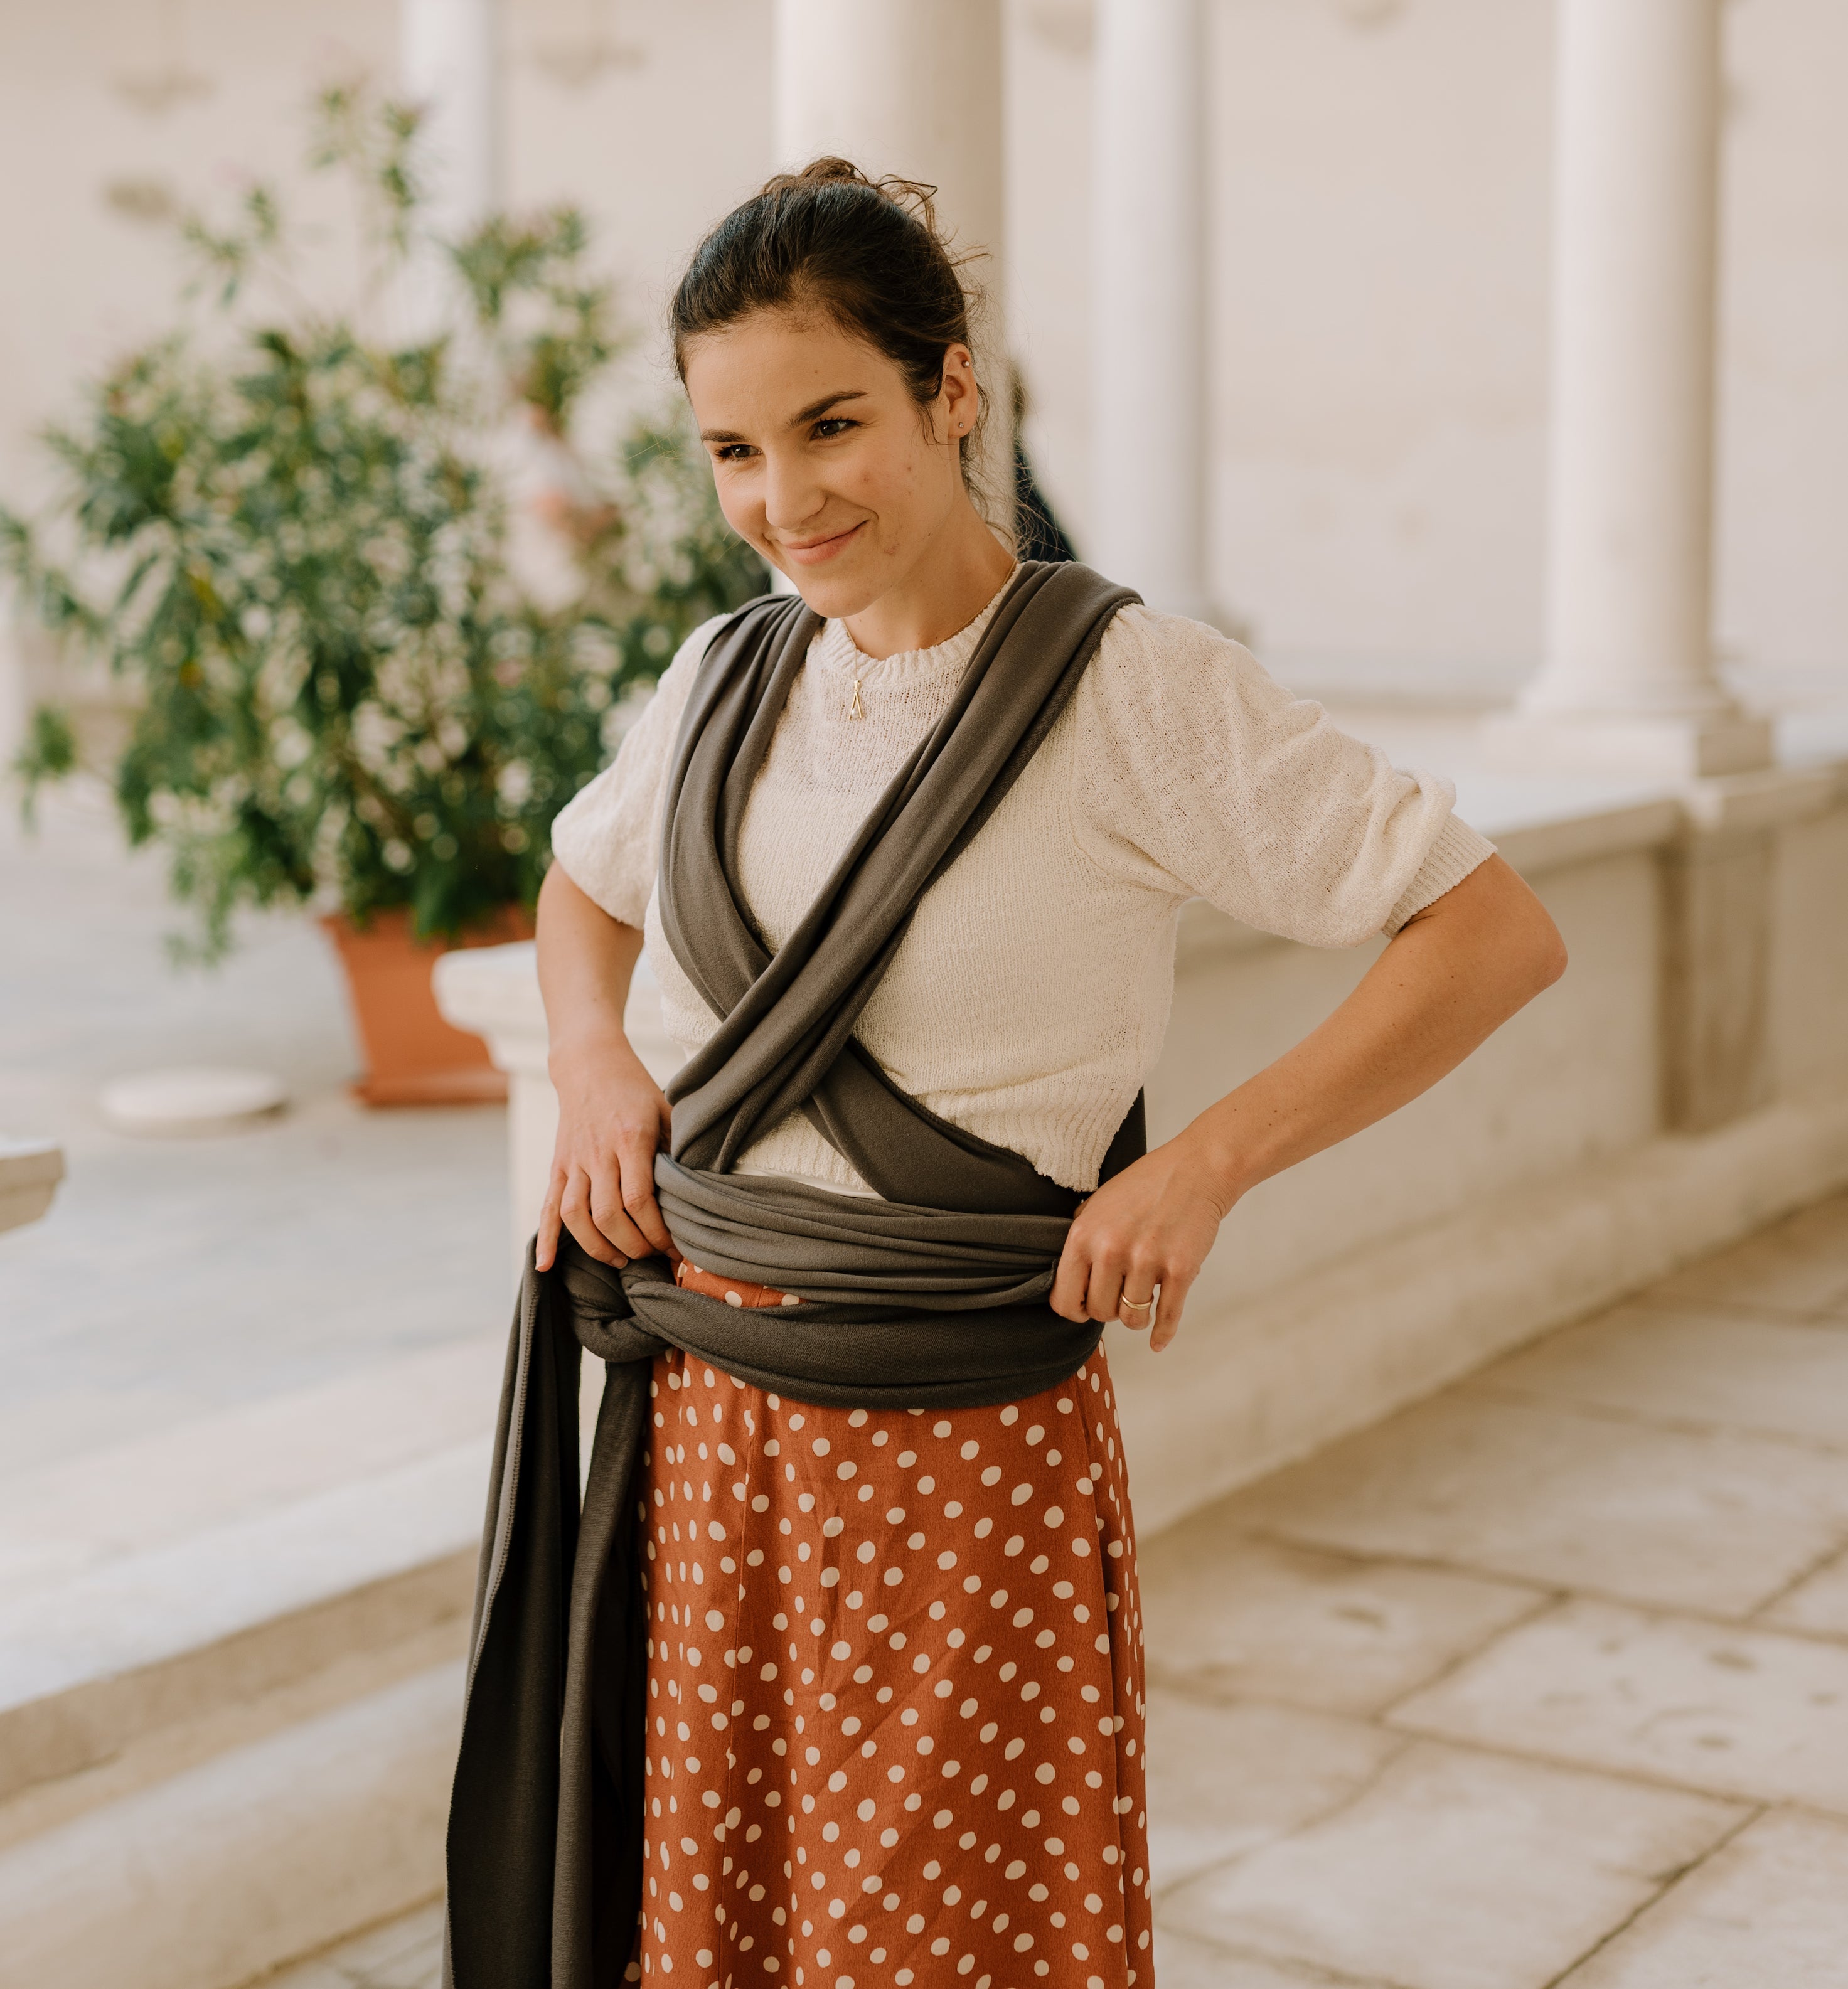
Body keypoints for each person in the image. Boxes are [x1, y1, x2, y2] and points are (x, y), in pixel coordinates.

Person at [444, 160, 1566, 1989]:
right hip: (708, 1434)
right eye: (732, 451)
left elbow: (1489, 928)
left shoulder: (1130, 690)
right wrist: (588, 1061)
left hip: (953, 1451)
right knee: (714, 1930)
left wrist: (1198, 1162)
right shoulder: (725, 678)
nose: (783, 499)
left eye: (832, 424)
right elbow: (584, 882)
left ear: (951, 393)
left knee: (934, 1947)